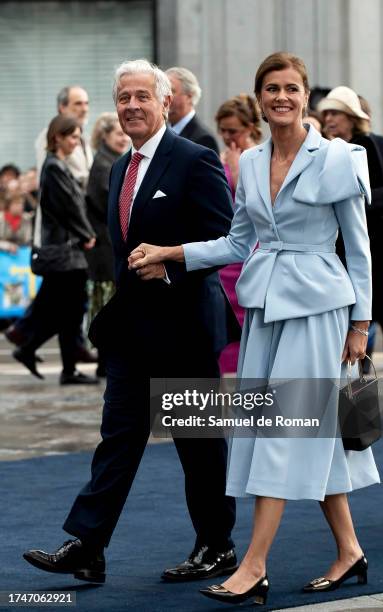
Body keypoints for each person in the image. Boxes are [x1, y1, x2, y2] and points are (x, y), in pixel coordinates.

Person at [128, 52, 380, 606]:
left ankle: (254, 565)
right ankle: (350, 551)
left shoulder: (338, 159)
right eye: (271, 89)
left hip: (319, 310)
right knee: (308, 432)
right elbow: (237, 243)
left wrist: (361, 325)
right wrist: (172, 251)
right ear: (260, 97)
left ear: (306, 95)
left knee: (285, 432)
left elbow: (359, 252)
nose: (281, 97)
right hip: (264, 313)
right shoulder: (251, 159)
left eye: (291, 88)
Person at [23, 59, 238, 585]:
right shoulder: (121, 165)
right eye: (124, 97)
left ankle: (217, 547)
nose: (132, 106)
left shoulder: (195, 159)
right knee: (117, 439)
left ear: (166, 102)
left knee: (199, 447)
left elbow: (226, 238)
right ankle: (88, 546)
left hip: (185, 326)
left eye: (143, 96)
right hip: (132, 332)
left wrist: (172, 258)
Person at [318, 86, 383, 399]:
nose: (328, 119)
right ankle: (348, 389)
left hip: (375, 249)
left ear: (352, 117)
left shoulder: (371, 147)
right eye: (326, 113)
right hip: (337, 252)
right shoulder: (325, 148)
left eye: (335, 112)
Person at [12, 115, 98, 385]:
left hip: (66, 251)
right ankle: (35, 349)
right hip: (66, 253)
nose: (76, 142)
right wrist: (87, 234)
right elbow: (70, 207)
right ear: (57, 137)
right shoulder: (54, 167)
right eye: (72, 136)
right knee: (68, 312)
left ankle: (36, 350)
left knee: (66, 312)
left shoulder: (57, 166)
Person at [215, 94, 262, 374]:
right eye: (223, 130)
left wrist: (236, 168)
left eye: (233, 130)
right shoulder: (221, 156)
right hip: (225, 256)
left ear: (249, 128)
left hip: (251, 251)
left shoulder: (258, 156)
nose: (227, 136)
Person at [85, 112, 130, 377]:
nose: (123, 138)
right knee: (106, 305)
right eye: (118, 134)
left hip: (107, 248)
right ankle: (105, 362)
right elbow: (109, 206)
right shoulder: (105, 164)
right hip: (104, 249)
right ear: (105, 136)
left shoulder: (111, 160)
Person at [35, 86, 93, 188]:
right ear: (62, 108)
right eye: (78, 104)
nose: (84, 109)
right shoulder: (49, 135)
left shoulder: (84, 137)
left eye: (86, 103)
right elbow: (47, 180)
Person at [166, 66, 219, 154]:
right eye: (162, 92)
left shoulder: (203, 139)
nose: (165, 97)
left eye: (171, 91)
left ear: (190, 96)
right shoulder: (162, 132)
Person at [0, 187, 33, 253]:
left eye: (21, 204)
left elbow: (28, 240)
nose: (20, 206)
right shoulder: (1, 218)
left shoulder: (26, 218)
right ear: (8, 205)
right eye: (16, 204)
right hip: (2, 251)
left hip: (21, 251)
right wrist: (6, 246)